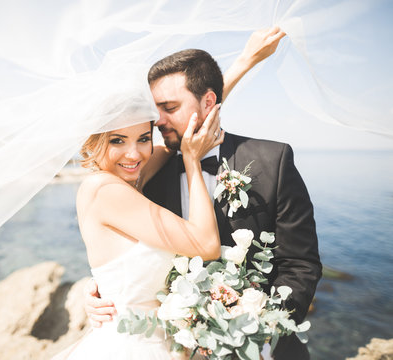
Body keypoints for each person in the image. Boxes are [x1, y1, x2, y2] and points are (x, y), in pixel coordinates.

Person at [84, 28, 322, 360]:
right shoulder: (148, 172)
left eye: (168, 107)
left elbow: (300, 264)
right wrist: (101, 287)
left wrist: (262, 332)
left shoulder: (273, 160)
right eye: (156, 111)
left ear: (208, 102)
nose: (159, 121)